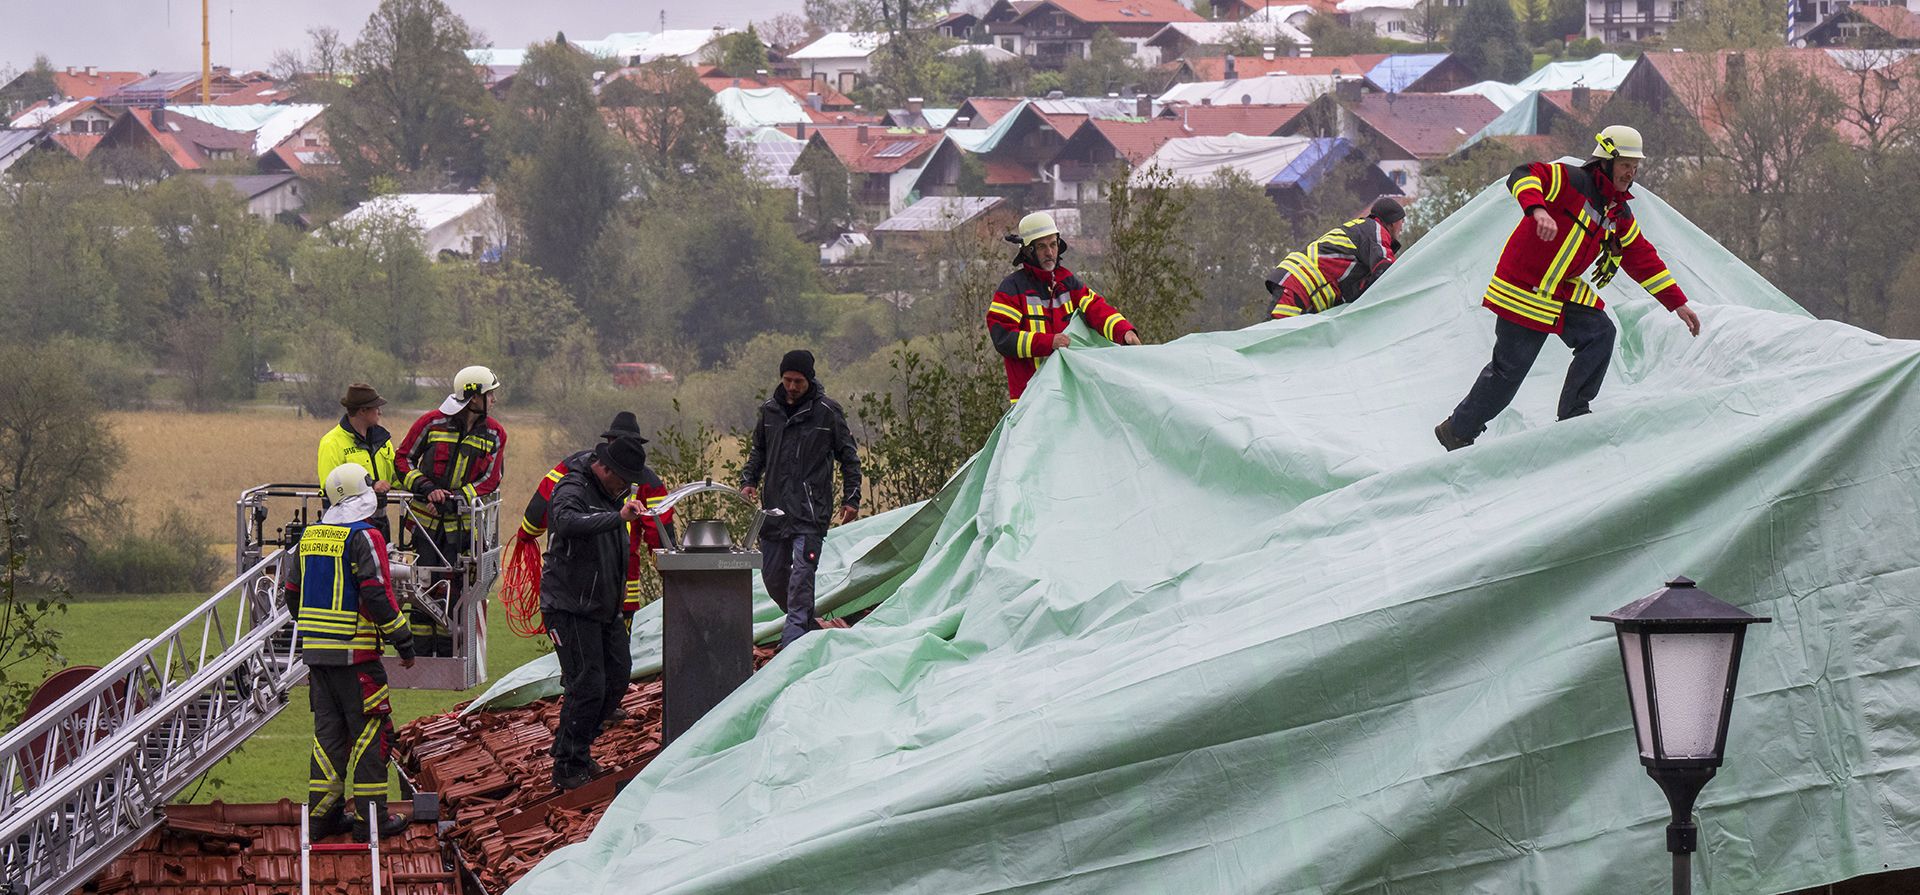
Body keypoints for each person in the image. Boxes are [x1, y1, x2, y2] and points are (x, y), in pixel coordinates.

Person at [1435, 126, 1702, 451]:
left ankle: (1574, 415)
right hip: (1523, 289)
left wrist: (1677, 303)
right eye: (1625, 164)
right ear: (1606, 160)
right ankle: (1457, 431)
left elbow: (1641, 256)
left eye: (1635, 166)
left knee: (1600, 333)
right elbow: (1523, 174)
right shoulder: (1571, 179)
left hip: (1559, 291)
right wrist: (1537, 208)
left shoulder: (1617, 211)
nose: (1630, 172)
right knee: (1508, 374)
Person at [515, 412, 675, 733]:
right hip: (578, 585)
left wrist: (528, 532)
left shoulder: (639, 479)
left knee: (613, 662)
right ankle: (580, 721)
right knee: (587, 668)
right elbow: (552, 512)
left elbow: (662, 533)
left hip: (617, 582)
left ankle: (593, 713)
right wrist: (527, 533)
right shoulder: (576, 477)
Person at [284, 462, 416, 841]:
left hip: (317, 660)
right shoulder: (366, 536)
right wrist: (403, 639)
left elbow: (291, 595)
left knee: (328, 739)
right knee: (372, 736)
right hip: (358, 660)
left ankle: (322, 820)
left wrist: (317, 632)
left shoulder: (309, 537)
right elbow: (377, 592)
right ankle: (370, 822)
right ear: (365, 496)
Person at [541, 435, 650, 791]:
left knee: (618, 677)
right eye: (624, 478)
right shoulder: (572, 488)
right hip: (569, 606)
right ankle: (569, 766)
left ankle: (576, 745)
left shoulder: (610, 492)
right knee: (587, 684)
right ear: (604, 468)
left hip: (604, 606)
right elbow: (566, 521)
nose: (627, 486)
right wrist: (615, 517)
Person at [739, 350, 862, 647]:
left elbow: (849, 458)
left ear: (810, 379)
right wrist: (749, 480)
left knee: (801, 578)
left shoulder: (828, 413)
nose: (792, 387)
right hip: (774, 512)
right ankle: (808, 626)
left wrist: (852, 498)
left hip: (810, 512)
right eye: (787, 380)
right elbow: (759, 451)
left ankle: (791, 644)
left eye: (798, 381)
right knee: (772, 577)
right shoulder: (769, 411)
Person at [396, 365, 508, 654]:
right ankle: (421, 651)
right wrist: (425, 487)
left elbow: (491, 480)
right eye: (490, 394)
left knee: (456, 588)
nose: (493, 400)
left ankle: (450, 650)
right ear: (474, 398)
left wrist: (456, 498)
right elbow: (403, 460)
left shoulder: (496, 434)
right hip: (425, 525)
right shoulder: (431, 423)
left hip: (464, 527)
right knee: (422, 586)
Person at [987, 211, 1142, 403]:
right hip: (1030, 400)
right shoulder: (1012, 289)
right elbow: (1003, 338)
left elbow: (1095, 308)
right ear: (1028, 251)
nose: (1050, 252)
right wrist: (1049, 342)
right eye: (1042, 247)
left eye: (1053, 244)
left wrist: (1124, 332)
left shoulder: (1066, 281)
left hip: (1069, 395)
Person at [1265, 197, 1405, 319]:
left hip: (1302, 287)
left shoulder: (1361, 232)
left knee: (1283, 343)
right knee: (1272, 340)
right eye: (1401, 221)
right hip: (1299, 285)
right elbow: (1386, 269)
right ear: (1392, 222)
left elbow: (1356, 292)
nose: (1402, 227)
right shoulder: (1375, 229)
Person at [316, 383, 399, 539]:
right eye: (376, 407)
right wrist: (372, 485)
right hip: (346, 530)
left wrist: (422, 484)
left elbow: (395, 476)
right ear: (363, 411)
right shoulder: (331, 443)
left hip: (379, 524)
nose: (379, 412)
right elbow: (331, 488)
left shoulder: (382, 441)